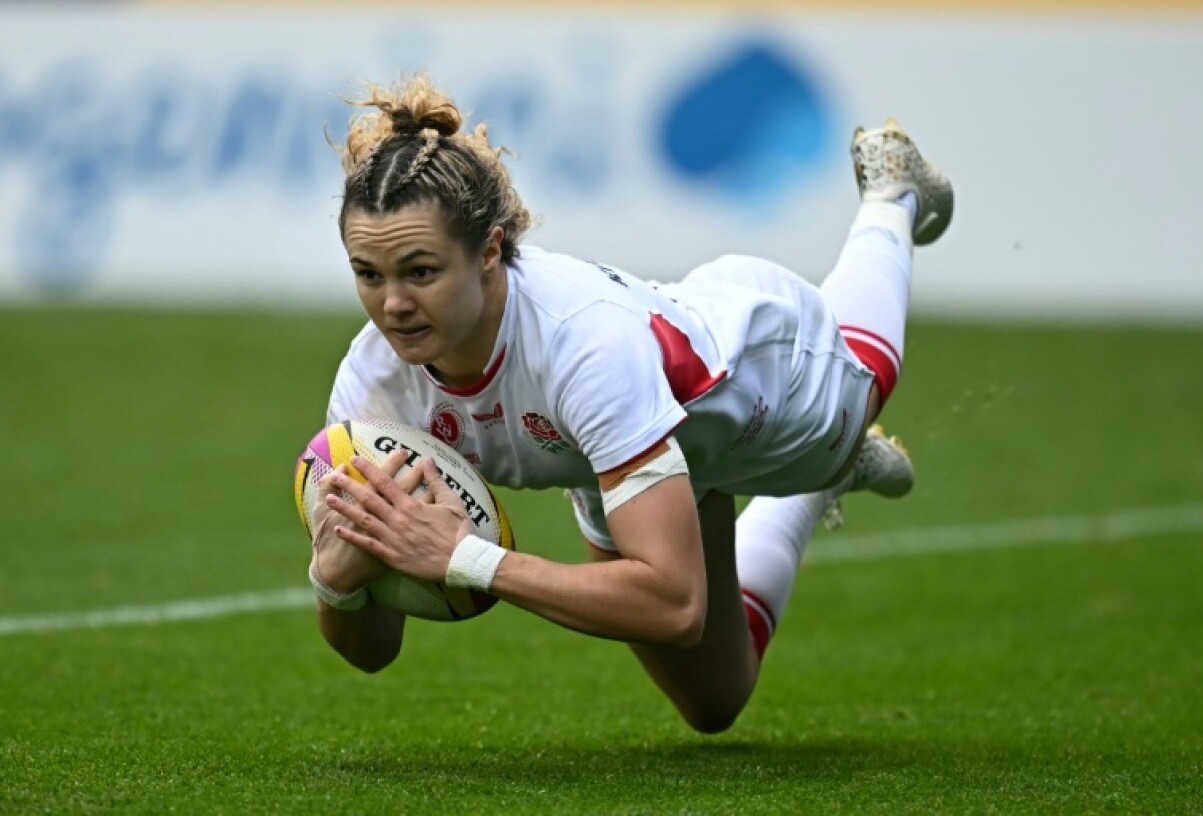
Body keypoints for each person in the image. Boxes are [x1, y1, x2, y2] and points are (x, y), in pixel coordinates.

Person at [307, 74, 953, 734]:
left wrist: (467, 560)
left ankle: (891, 195)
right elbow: (373, 652)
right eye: (368, 273)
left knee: (866, 383)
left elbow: (675, 604)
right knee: (714, 701)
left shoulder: (582, 344)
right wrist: (339, 582)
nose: (392, 304)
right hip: (611, 459)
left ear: (490, 253)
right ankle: (814, 488)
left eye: (420, 271)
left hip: (758, 381)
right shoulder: (372, 386)